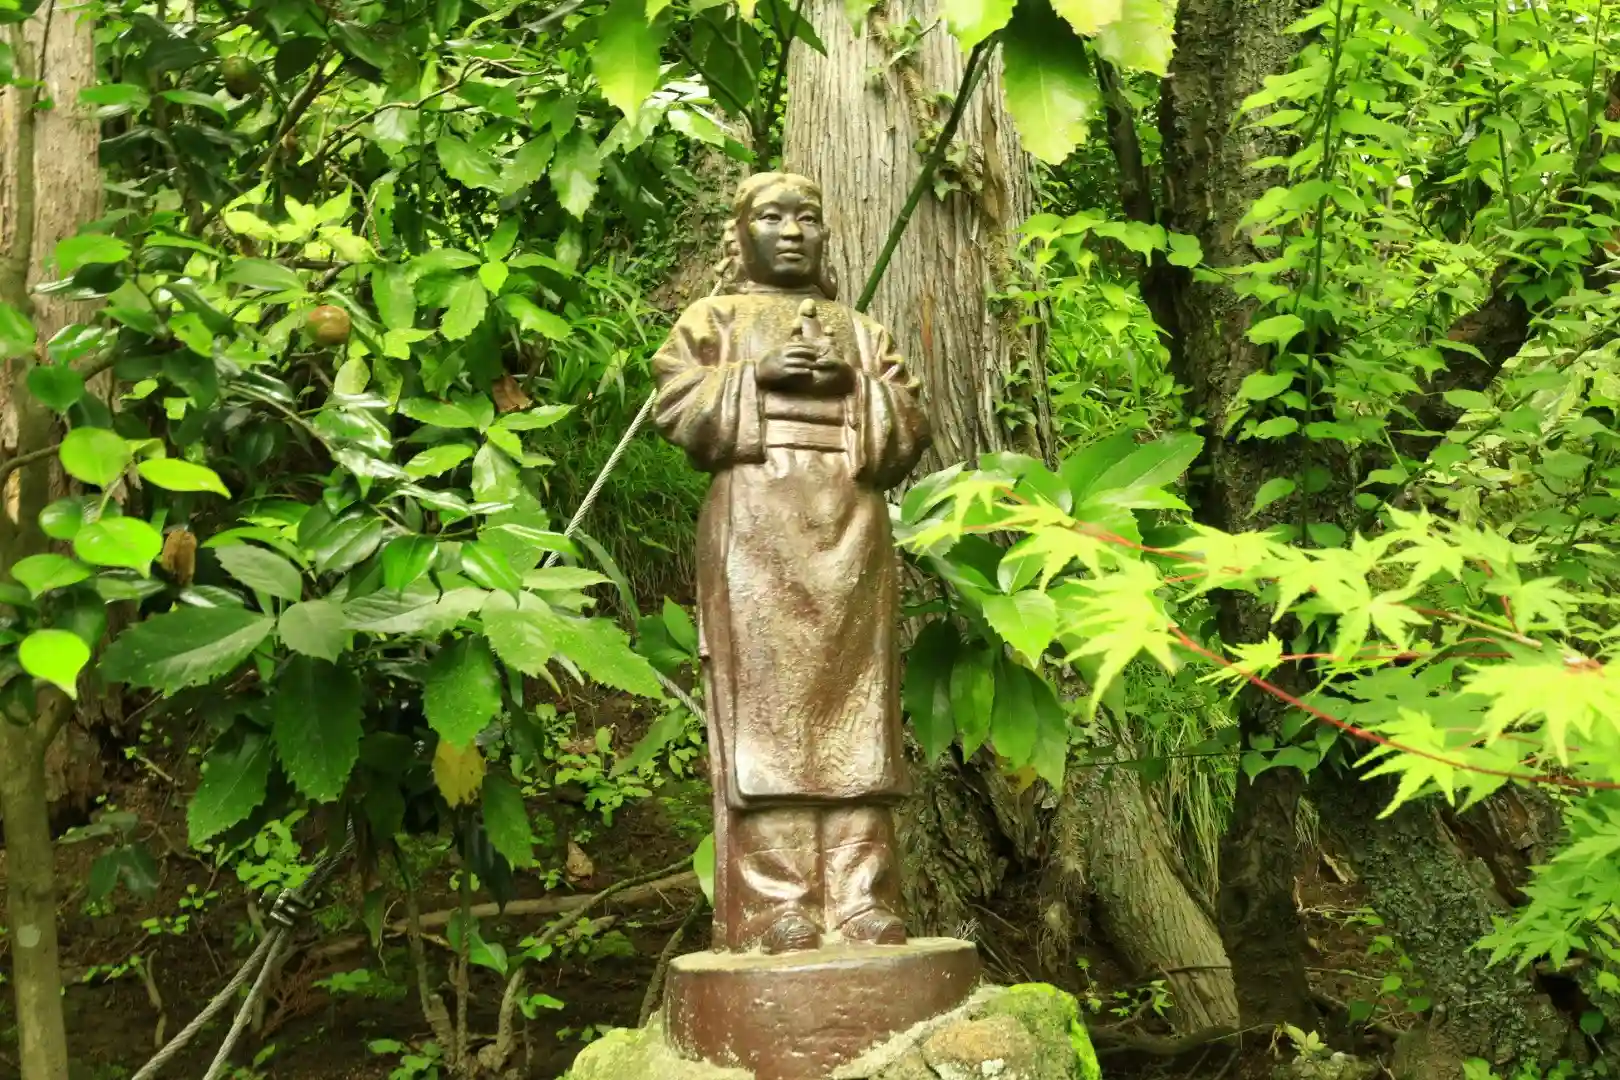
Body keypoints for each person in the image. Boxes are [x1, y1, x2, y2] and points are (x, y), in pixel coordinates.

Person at [652, 172, 932, 954]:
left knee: (857, 714)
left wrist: (854, 386)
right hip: (755, 526)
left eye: (807, 218)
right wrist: (756, 376)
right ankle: (778, 902)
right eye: (771, 217)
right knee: (768, 716)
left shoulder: (863, 332)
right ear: (740, 233)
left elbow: (910, 424)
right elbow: (675, 404)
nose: (790, 231)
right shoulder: (712, 320)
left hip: (850, 525)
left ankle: (861, 895)